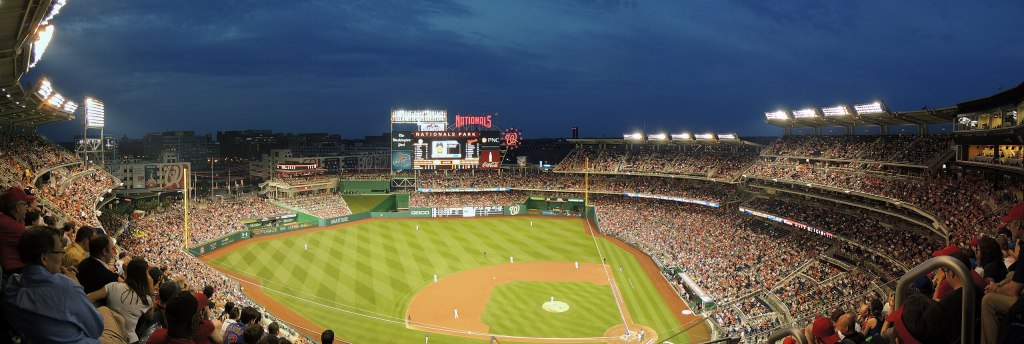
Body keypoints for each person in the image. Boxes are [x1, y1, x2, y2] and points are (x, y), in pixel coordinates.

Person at [2, 226, 104, 343]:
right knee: (110, 315)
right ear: (44, 257)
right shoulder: (68, 287)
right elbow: (96, 329)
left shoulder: (12, 285)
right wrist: (76, 284)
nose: (62, 254)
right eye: (60, 250)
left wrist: (54, 274)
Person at [88, 257, 156, 344]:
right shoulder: (146, 299)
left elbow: (89, 297)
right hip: (128, 340)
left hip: (107, 333)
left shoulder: (112, 286)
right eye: (147, 273)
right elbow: (150, 317)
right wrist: (151, 291)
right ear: (143, 276)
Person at [0, 186, 33, 276]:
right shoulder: (14, 227)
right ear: (18, 207)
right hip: (10, 275)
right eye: (26, 204)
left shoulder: (3, 218)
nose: (27, 208)